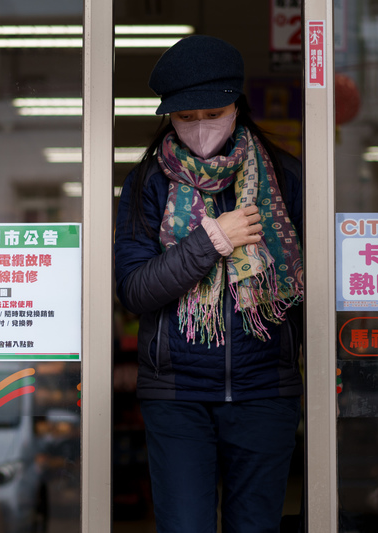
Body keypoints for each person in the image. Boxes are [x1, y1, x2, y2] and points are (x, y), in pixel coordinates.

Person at [114, 35, 304, 533]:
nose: (199, 127)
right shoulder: (148, 184)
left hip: (265, 390)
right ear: (169, 118)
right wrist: (211, 239)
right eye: (185, 117)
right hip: (176, 397)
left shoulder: (284, 178)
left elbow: (308, 290)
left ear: (237, 107)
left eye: (212, 113)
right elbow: (135, 290)